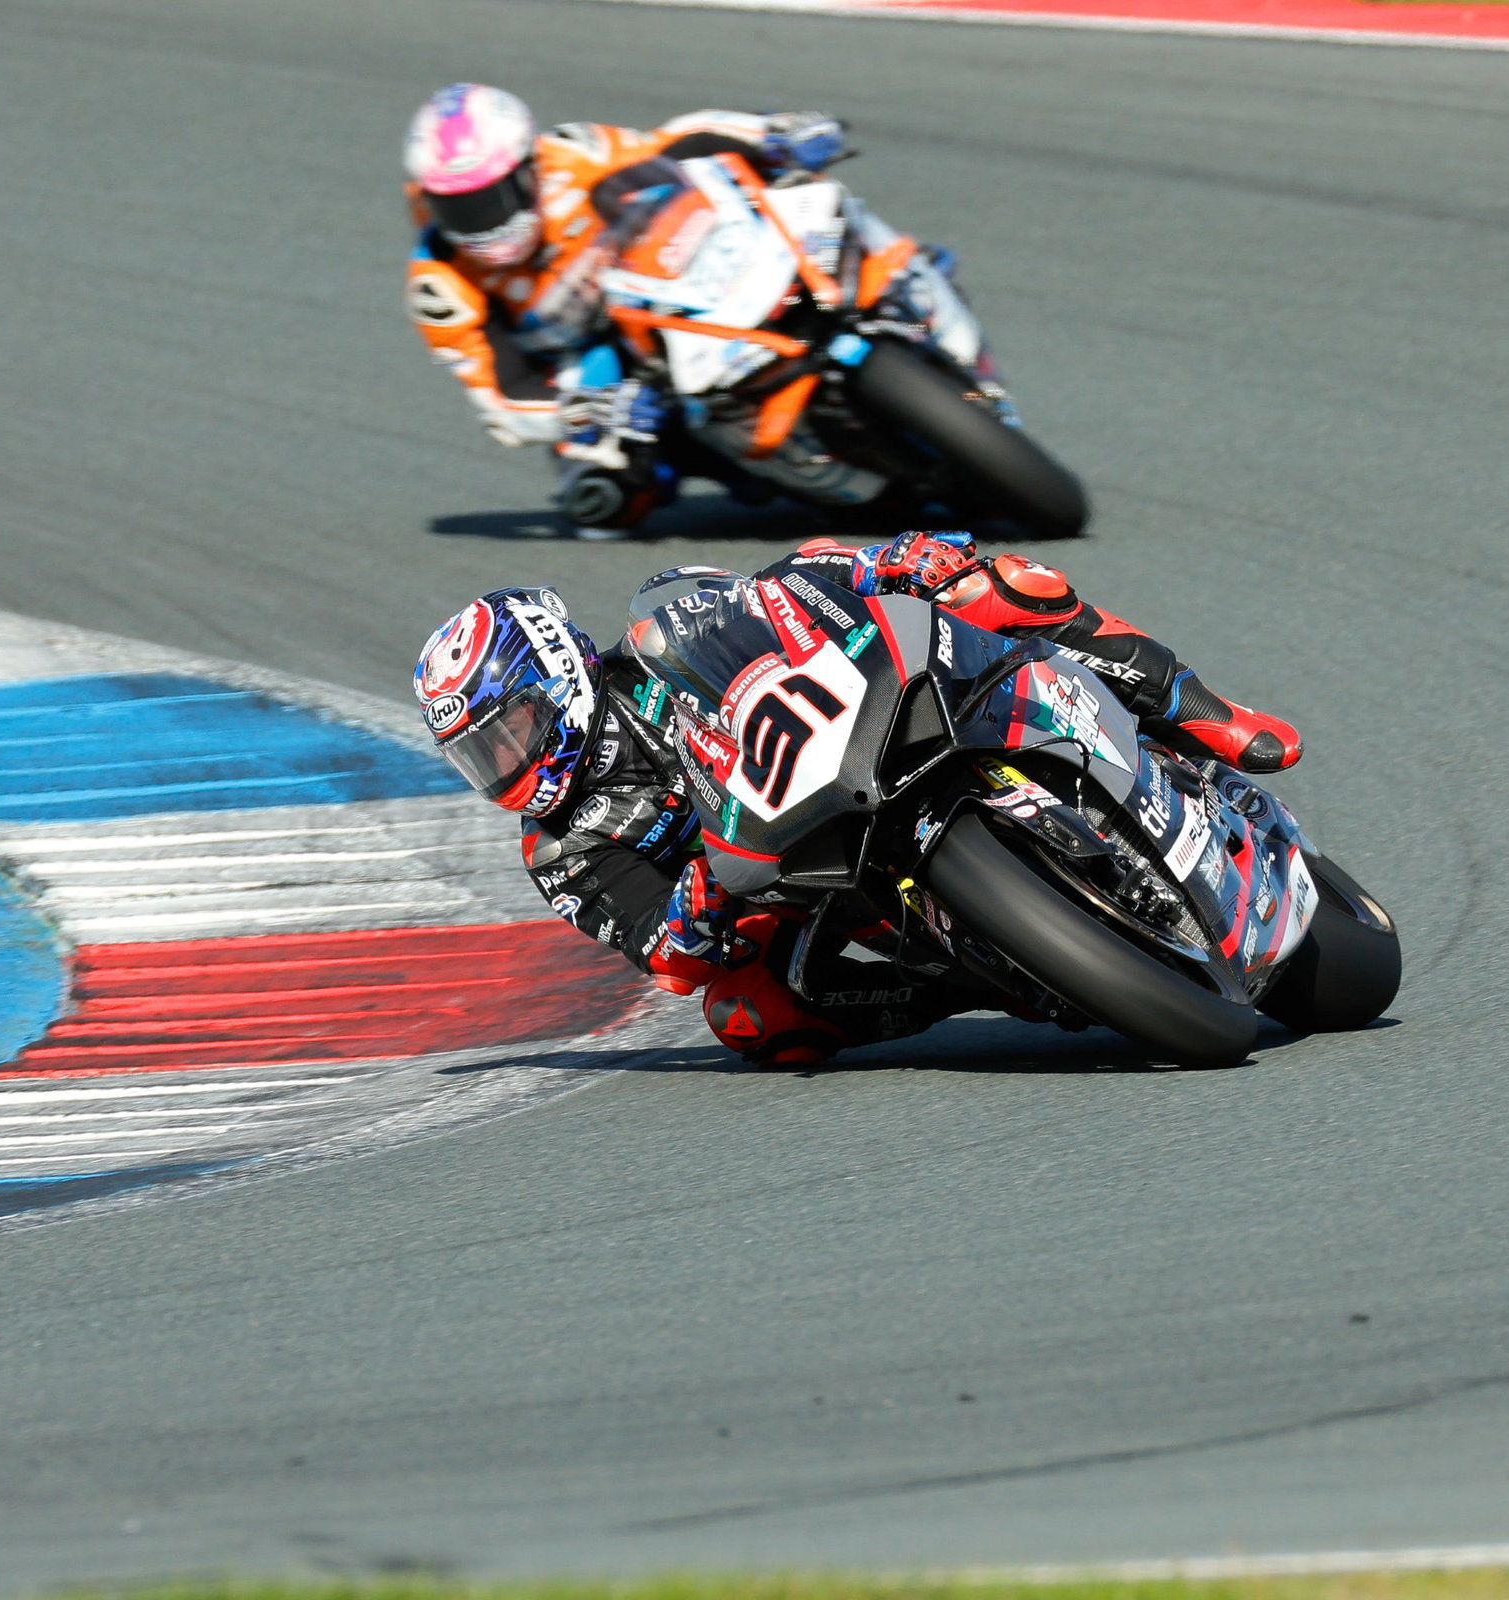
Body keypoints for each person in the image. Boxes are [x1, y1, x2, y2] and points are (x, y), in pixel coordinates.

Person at [413, 533, 1301, 1068]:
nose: (507, 762)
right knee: (749, 1017)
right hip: (789, 883)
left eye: (511, 730)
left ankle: (1204, 715)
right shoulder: (560, 850)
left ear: (559, 672)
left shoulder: (661, 638)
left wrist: (888, 564)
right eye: (480, 756)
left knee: (1003, 586)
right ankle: (963, 983)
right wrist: (687, 920)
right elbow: (667, 957)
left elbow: (784, 590)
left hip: (862, 730)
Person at [403, 84, 849, 539]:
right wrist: (594, 409)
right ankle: (766, 465)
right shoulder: (439, 283)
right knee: (602, 503)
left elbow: (676, 141)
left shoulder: (573, 156)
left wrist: (771, 133)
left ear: (526, 169)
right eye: (454, 208)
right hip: (596, 371)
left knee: (795, 201)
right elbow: (501, 401)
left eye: (488, 200)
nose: (479, 223)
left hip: (666, 285)